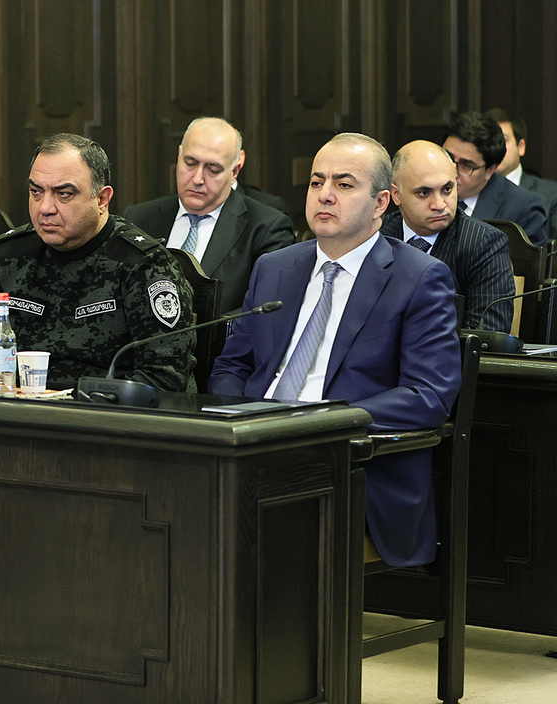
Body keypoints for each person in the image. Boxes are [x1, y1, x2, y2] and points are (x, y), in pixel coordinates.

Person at [210, 133, 462, 567]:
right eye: (316, 182)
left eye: (344, 184)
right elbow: (232, 366)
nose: (325, 194)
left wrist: (322, 422)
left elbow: (428, 396)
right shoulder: (275, 267)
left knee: (254, 525)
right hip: (255, 446)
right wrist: (247, 421)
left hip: (351, 465)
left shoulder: (419, 278)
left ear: (381, 202)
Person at [0, 133, 195, 392]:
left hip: (101, 411)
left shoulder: (143, 264)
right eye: (36, 192)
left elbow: (165, 378)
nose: (45, 208)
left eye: (63, 194)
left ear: (101, 200)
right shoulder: (6, 256)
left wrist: (72, 401)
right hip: (15, 406)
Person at [124, 117, 295, 312]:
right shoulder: (138, 219)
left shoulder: (266, 228)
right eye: (190, 163)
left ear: (235, 171)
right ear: (179, 156)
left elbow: (261, 311)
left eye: (213, 170)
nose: (197, 179)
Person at [381, 140, 513, 332]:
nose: (439, 205)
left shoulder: (484, 243)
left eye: (447, 189)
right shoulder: (378, 236)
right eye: (424, 192)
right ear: (396, 195)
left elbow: (487, 335)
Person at [443, 110, 547, 245]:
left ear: (490, 170)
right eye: (448, 157)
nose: (453, 172)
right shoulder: (422, 190)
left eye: (466, 166)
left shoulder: (524, 209)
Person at [487, 107, 557, 240]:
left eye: (502, 140)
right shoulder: (467, 191)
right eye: (488, 142)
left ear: (521, 147)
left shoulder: (551, 194)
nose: (494, 148)